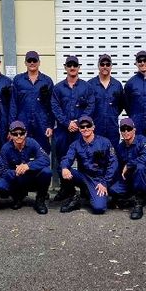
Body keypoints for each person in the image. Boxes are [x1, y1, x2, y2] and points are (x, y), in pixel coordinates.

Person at [51, 56, 95, 200]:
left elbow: (90, 106)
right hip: (63, 131)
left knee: (84, 159)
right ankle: (66, 189)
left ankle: (85, 189)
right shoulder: (58, 88)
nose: (72, 68)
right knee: (62, 159)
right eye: (69, 65)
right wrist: (66, 123)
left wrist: (78, 123)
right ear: (65, 67)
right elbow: (55, 107)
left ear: (78, 67)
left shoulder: (86, 87)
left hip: (81, 131)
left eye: (74, 65)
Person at [59, 116, 118, 214]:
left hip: (99, 180)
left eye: (88, 126)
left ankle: (92, 194)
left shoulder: (105, 142)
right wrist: (64, 167)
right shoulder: (75, 144)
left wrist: (105, 183)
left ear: (93, 127)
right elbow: (67, 158)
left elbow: (113, 163)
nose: (85, 128)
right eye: (82, 127)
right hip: (83, 177)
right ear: (79, 129)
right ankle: (73, 198)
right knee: (62, 169)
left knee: (99, 208)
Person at [0, 121, 51, 214]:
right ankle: (17, 197)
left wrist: (28, 166)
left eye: (21, 133)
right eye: (15, 134)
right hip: (16, 179)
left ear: (26, 133)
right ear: (10, 135)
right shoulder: (5, 148)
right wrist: (15, 172)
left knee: (47, 172)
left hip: (31, 177)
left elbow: (45, 159)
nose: (19, 136)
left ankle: (40, 200)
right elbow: (1, 169)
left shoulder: (32, 143)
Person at [109, 118, 146, 220]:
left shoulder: (143, 140)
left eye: (129, 129)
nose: (126, 132)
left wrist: (129, 165)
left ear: (134, 130)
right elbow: (117, 167)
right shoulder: (120, 147)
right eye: (123, 129)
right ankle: (141, 193)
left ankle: (139, 202)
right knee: (113, 190)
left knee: (140, 167)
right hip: (131, 178)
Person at [9, 51, 54, 154]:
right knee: (22, 152)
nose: (32, 63)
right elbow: (13, 104)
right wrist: (12, 126)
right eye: (29, 60)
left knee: (42, 152)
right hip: (22, 123)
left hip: (41, 124)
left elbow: (51, 106)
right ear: (25, 63)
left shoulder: (47, 81)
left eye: (34, 60)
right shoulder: (18, 80)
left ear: (39, 62)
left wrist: (50, 126)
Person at [88, 54, 124, 149]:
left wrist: (112, 113)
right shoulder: (90, 85)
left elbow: (121, 105)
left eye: (107, 64)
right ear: (98, 66)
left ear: (111, 66)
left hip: (112, 129)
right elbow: (86, 107)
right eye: (102, 64)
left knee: (112, 154)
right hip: (95, 129)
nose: (105, 66)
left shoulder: (117, 85)